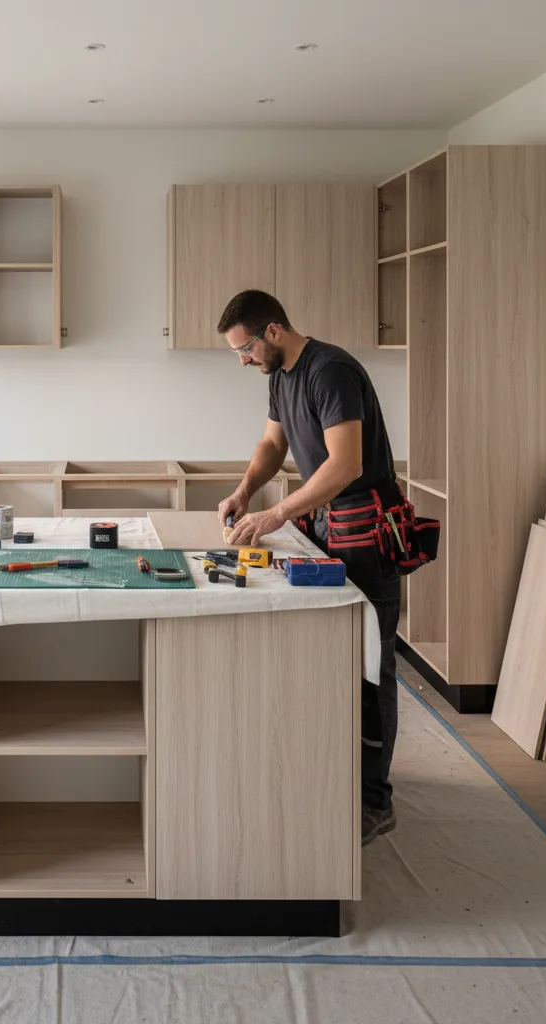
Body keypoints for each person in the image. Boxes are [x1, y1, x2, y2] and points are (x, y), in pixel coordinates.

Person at [216, 288, 401, 846]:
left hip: (365, 533)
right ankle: (338, 778)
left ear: (273, 330)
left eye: (245, 348)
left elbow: (345, 464)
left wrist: (275, 514)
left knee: (372, 666)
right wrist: (245, 491)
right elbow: (273, 445)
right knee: (332, 661)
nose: (243, 361)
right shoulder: (281, 376)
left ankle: (375, 802)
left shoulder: (331, 371)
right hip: (327, 527)